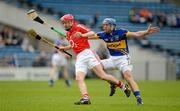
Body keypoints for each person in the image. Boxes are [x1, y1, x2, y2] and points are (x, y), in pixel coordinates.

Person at [74, 18, 160, 105]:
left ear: (112, 26)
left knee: (128, 77)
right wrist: (79, 36)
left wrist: (146, 32)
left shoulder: (121, 32)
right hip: (112, 59)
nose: (104, 27)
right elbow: (88, 37)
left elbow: (136, 34)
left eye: (106, 25)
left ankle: (139, 98)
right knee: (97, 67)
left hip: (123, 59)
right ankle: (113, 83)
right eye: (103, 25)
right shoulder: (103, 35)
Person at [59, 14, 131, 105]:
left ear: (71, 22)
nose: (64, 25)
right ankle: (85, 98)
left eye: (65, 23)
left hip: (88, 54)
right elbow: (74, 45)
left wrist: (82, 34)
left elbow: (92, 33)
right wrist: (65, 48)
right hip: (79, 57)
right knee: (79, 78)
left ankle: (123, 86)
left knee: (102, 76)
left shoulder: (79, 26)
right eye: (63, 23)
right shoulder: (68, 34)